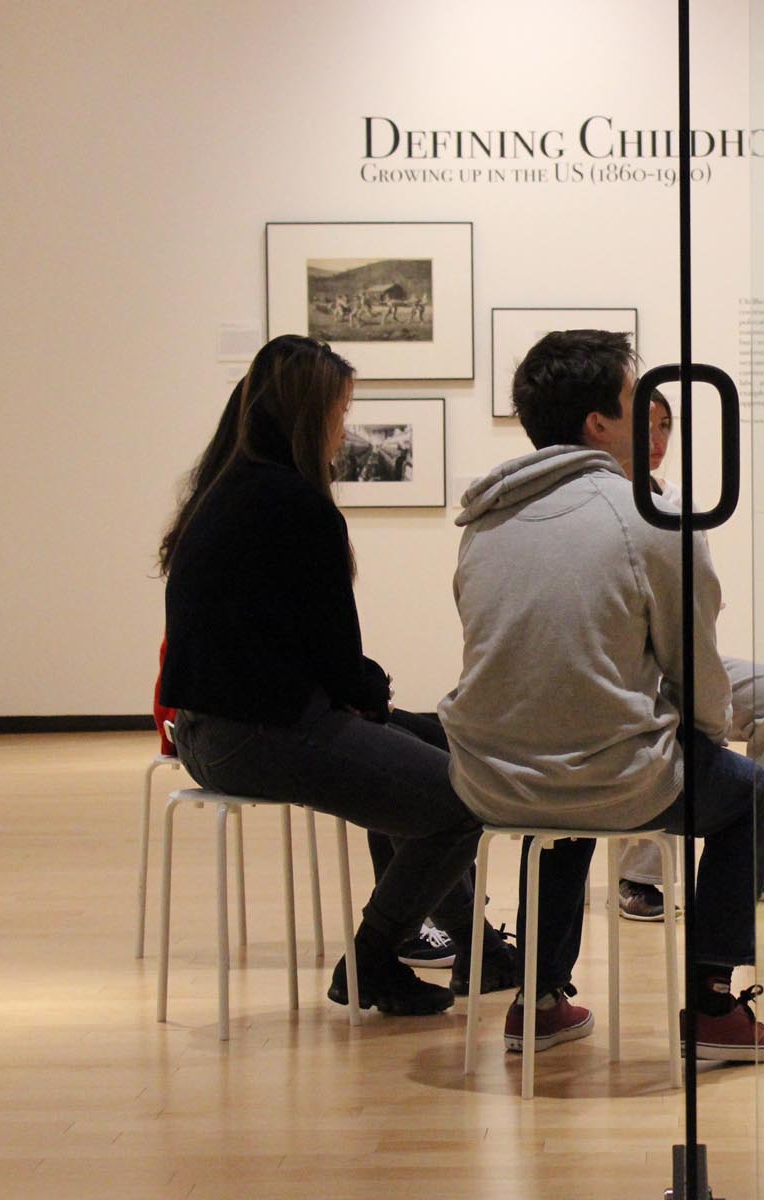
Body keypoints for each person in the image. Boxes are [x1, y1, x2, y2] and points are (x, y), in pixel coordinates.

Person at [438, 328, 764, 1062]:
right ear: (598, 423)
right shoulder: (652, 517)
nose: (653, 418)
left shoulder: (485, 519)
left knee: (570, 782)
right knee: (748, 793)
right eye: (639, 401)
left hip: (490, 777)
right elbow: (694, 664)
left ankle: (537, 999)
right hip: (603, 775)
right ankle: (714, 1007)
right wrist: (702, 731)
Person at [158, 334, 516, 1016]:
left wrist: (366, 695)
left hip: (208, 731)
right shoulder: (296, 506)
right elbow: (336, 656)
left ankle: (482, 953)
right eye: (340, 412)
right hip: (261, 732)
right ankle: (374, 959)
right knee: (461, 803)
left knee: (438, 746)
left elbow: (296, 644)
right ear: (308, 416)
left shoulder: (220, 492)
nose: (343, 429)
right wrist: (369, 693)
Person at [616, 395, 764, 915]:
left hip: (684, 656)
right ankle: (639, 877)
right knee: (662, 709)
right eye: (646, 427)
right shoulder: (607, 504)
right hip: (629, 673)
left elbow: (698, 605)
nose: (658, 439)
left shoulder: (682, 502)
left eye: (666, 426)